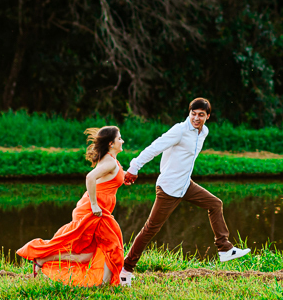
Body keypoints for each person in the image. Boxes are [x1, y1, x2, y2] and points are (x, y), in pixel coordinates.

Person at [119, 98, 250, 285]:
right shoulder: (179, 130)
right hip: (169, 187)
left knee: (215, 204)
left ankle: (225, 249)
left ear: (208, 116)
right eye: (193, 114)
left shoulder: (204, 132)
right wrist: (134, 167)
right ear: (189, 113)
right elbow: (155, 147)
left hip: (185, 185)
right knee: (150, 229)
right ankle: (126, 269)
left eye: (201, 115)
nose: (196, 118)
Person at [17, 126, 127, 286]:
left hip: (99, 209)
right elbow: (90, 177)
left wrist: (125, 177)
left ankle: (42, 259)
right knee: (112, 243)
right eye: (119, 138)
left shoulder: (111, 160)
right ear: (111, 143)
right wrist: (94, 205)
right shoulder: (109, 162)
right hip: (93, 210)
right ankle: (105, 284)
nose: (122, 141)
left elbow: (109, 178)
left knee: (86, 255)